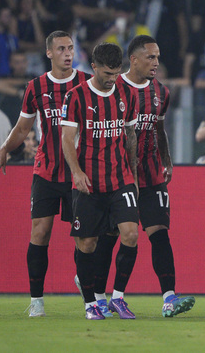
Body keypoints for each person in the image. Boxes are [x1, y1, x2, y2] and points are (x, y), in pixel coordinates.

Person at [77, 35, 195, 318]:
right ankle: (99, 295)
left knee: (159, 233)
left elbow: (158, 128)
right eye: (151, 57)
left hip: (152, 173)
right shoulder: (113, 87)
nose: (156, 63)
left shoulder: (161, 92)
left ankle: (169, 298)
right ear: (133, 59)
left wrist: (166, 160)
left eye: (158, 57)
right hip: (117, 174)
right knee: (109, 237)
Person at [0, 30, 92, 317]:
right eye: (61, 49)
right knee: (40, 233)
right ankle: (36, 300)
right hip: (46, 172)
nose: (68, 53)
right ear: (48, 53)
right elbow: (23, 128)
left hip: (78, 173)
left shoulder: (86, 83)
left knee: (85, 239)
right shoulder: (36, 87)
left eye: (70, 48)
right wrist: (2, 151)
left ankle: (85, 286)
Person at [61, 42, 139, 320]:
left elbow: (130, 136)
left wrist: (134, 174)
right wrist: (76, 172)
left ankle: (118, 297)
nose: (112, 79)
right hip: (88, 183)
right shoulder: (76, 97)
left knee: (130, 234)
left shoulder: (127, 93)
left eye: (116, 73)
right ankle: (90, 303)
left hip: (121, 179)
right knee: (87, 244)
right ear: (93, 67)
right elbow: (67, 138)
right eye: (107, 73)